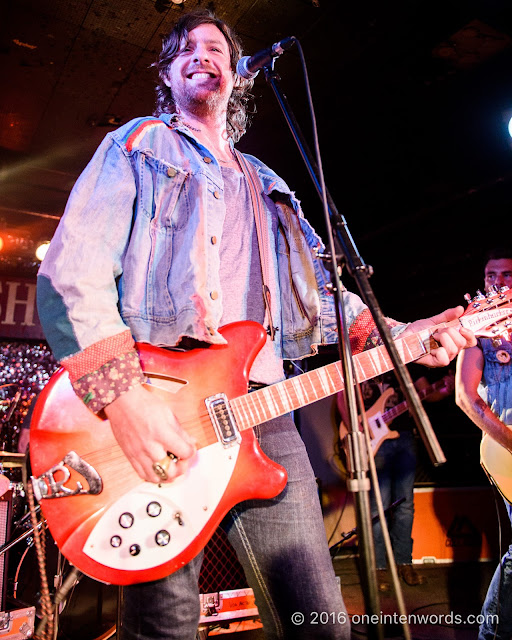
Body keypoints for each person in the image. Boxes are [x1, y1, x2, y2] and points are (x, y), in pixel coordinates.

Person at [35, 10, 474, 640]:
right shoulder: (137, 146)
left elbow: (322, 299)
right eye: (184, 48)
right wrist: (124, 399)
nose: (200, 54)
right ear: (167, 72)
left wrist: (404, 334)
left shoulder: (270, 185)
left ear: (239, 76)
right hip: (161, 405)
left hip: (266, 414)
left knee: (318, 621)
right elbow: (71, 275)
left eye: (216, 47)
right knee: (167, 625)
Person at [338, 366, 454, 593]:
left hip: (404, 438)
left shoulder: (406, 364)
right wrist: (356, 427)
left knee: (405, 506)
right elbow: (342, 397)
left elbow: (426, 393)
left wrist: (446, 388)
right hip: (374, 442)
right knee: (378, 507)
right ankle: (378, 567)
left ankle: (404, 563)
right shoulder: (360, 360)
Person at [456, 247, 512, 640]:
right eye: (491, 274)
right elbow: (465, 396)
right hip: (503, 445)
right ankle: (491, 633)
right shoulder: (478, 329)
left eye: (506, 274)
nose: (497, 281)